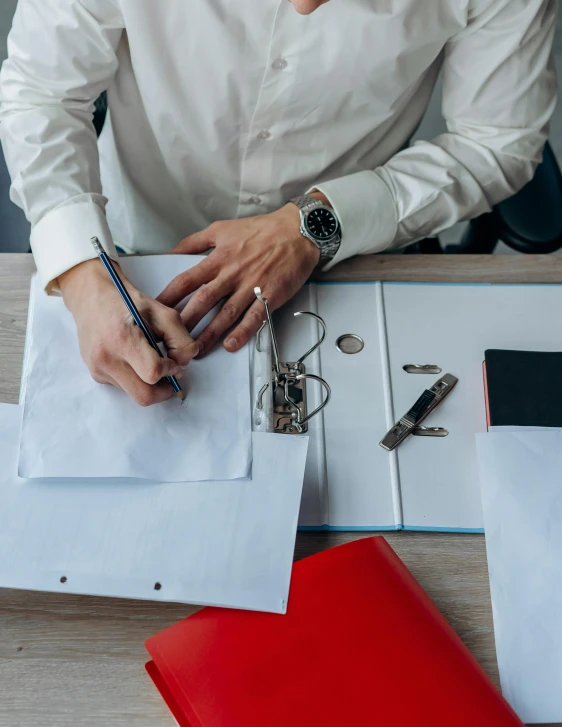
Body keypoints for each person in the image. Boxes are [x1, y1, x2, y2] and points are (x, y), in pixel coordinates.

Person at [0, 0, 556, 406]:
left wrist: (316, 224)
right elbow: (41, 91)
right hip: (133, 243)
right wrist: (82, 274)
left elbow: (497, 140)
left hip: (350, 262)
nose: (306, 6)